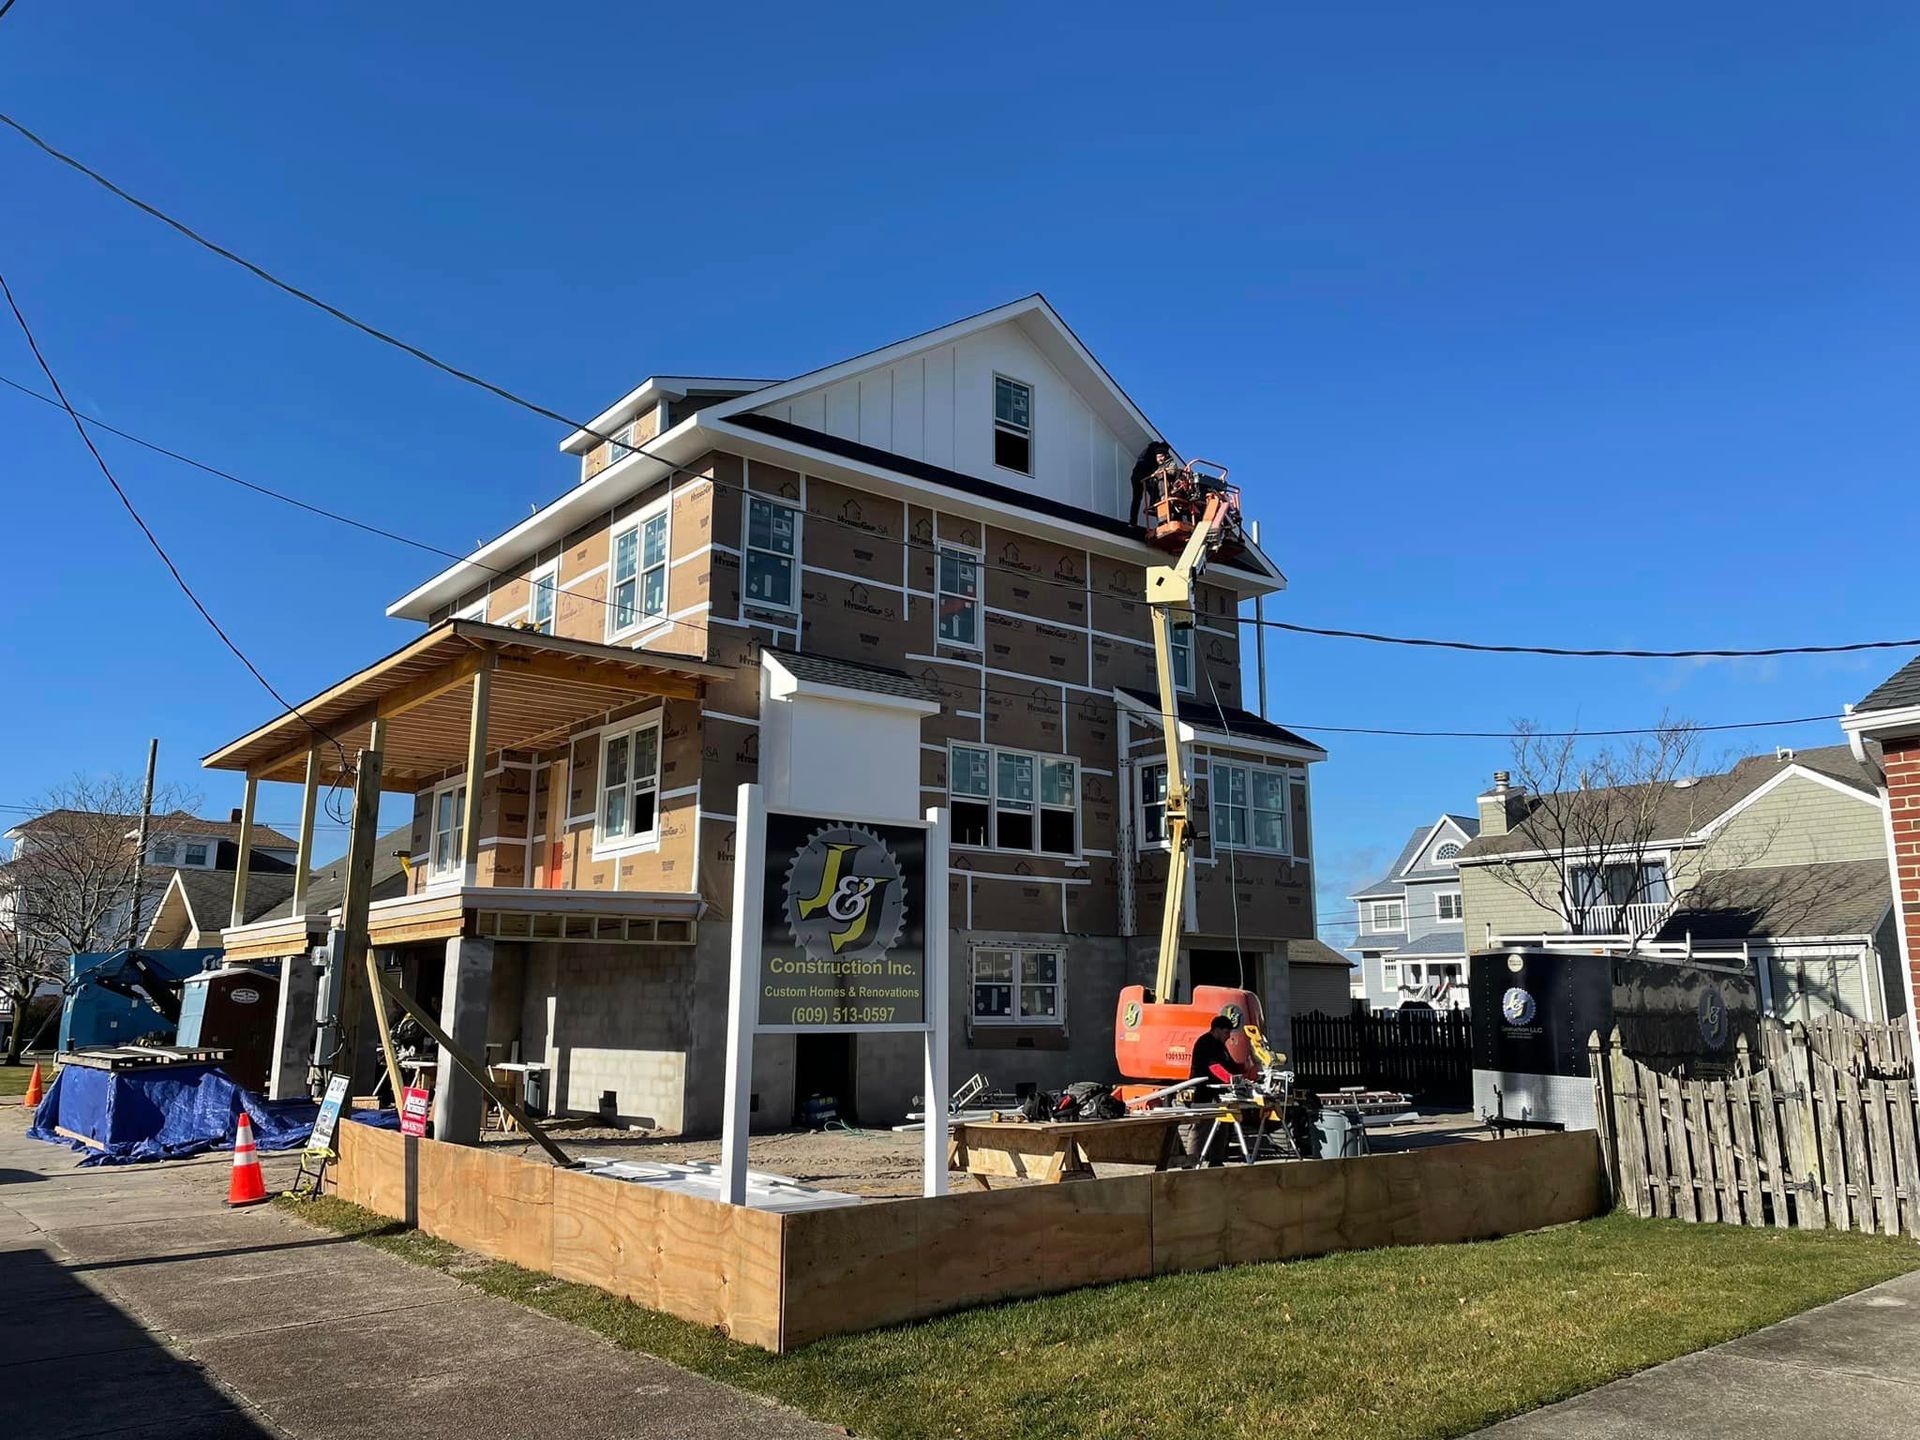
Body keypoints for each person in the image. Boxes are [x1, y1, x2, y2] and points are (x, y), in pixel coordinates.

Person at [1183, 1013, 1241, 1165]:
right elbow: (1214, 1067)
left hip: (1218, 1093)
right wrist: (1231, 1080)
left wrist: (1244, 1070)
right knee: (1201, 1127)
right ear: (1216, 1030)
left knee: (1222, 1125)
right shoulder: (1206, 1043)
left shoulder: (1220, 1046)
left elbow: (1230, 1066)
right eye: (1226, 1032)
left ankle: (1216, 1160)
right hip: (1203, 1091)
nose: (1228, 1036)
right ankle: (1191, 1162)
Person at [1128, 441, 1178, 529]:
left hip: (1142, 476)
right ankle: (1161, 519)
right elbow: (1147, 466)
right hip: (1140, 476)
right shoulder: (1152, 454)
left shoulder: (1152, 452)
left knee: (1148, 497)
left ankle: (1160, 519)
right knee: (1153, 496)